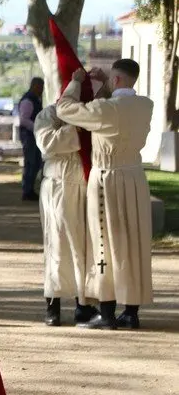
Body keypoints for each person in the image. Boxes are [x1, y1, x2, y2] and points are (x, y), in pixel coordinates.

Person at [57, 59, 154, 329]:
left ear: (117, 80)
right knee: (133, 243)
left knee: (104, 243)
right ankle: (131, 312)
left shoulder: (105, 109)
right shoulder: (146, 106)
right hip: (135, 177)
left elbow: (65, 110)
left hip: (107, 179)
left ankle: (107, 311)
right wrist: (105, 86)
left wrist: (76, 81)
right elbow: (112, 111)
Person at [34, 104, 98, 326]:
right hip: (58, 186)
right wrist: (75, 129)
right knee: (57, 245)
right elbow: (47, 144)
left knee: (84, 248)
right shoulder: (47, 115)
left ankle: (84, 305)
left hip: (84, 185)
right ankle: (53, 306)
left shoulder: (87, 111)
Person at [17, 77, 45, 201]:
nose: (42, 90)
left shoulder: (34, 99)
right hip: (29, 135)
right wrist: (37, 127)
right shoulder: (28, 100)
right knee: (30, 162)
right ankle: (27, 190)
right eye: (40, 87)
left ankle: (29, 189)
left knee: (35, 162)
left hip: (33, 135)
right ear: (35, 86)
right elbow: (24, 120)